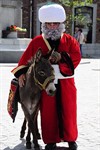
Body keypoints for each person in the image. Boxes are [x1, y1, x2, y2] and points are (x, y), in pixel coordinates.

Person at [11, 3, 81, 150]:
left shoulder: (69, 40)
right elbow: (25, 59)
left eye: (55, 24)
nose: (52, 27)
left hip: (66, 82)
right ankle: (51, 140)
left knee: (69, 111)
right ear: (44, 24)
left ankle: (70, 139)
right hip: (45, 84)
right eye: (49, 24)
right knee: (48, 113)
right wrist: (21, 73)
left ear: (61, 24)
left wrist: (62, 57)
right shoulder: (37, 41)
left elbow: (76, 57)